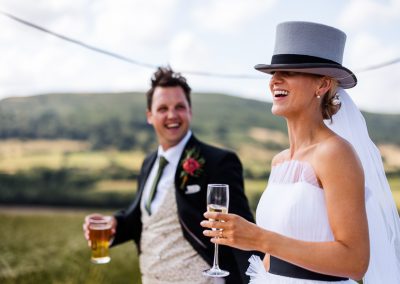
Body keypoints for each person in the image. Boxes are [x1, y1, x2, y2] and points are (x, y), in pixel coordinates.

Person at [201, 21, 400, 283]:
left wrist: (258, 238)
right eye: (273, 72)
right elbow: (275, 252)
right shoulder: (279, 162)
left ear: (323, 85)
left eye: (289, 72)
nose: (275, 80)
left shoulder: (336, 153)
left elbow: (355, 262)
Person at [83, 66, 258, 284]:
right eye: (163, 108)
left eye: (179, 107)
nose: (172, 115)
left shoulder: (218, 162)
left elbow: (243, 229)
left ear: (190, 111)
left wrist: (256, 280)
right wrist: (114, 223)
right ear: (150, 116)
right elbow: (143, 217)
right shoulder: (149, 163)